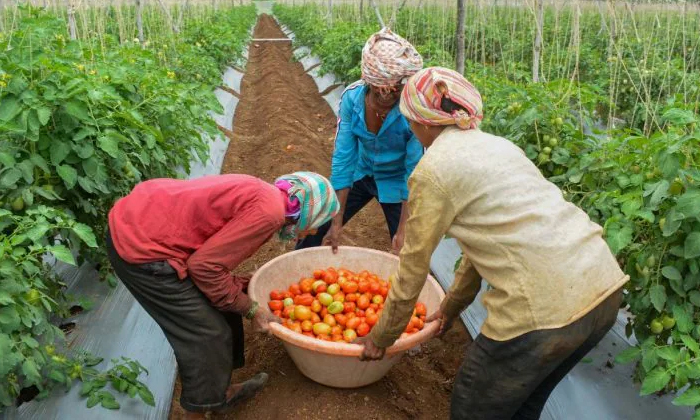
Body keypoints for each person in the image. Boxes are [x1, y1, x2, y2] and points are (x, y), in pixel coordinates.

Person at [358, 67, 628, 420]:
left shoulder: (433, 170)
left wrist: (381, 337)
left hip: (543, 312)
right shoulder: (498, 146)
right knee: (524, 406)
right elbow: (484, 241)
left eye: (410, 122)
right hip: (603, 292)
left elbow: (413, 265)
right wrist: (453, 306)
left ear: (423, 123)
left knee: (474, 408)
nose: (411, 129)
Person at [105, 172, 338, 419]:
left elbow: (209, 261)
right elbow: (204, 268)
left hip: (146, 218)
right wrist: (251, 309)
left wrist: (238, 287)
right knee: (206, 333)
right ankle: (198, 411)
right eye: (317, 223)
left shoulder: (268, 195)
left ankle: (219, 393)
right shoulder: (269, 215)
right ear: (312, 212)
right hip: (141, 248)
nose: (312, 231)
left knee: (226, 306)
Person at [296, 28, 424, 254]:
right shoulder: (352, 99)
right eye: (379, 90)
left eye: (394, 89)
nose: (387, 96)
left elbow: (413, 171)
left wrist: (403, 230)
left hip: (397, 181)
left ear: (403, 84)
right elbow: (344, 158)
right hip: (361, 172)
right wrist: (336, 221)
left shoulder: (412, 111)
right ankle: (297, 268)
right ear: (370, 81)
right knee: (316, 231)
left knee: (408, 250)